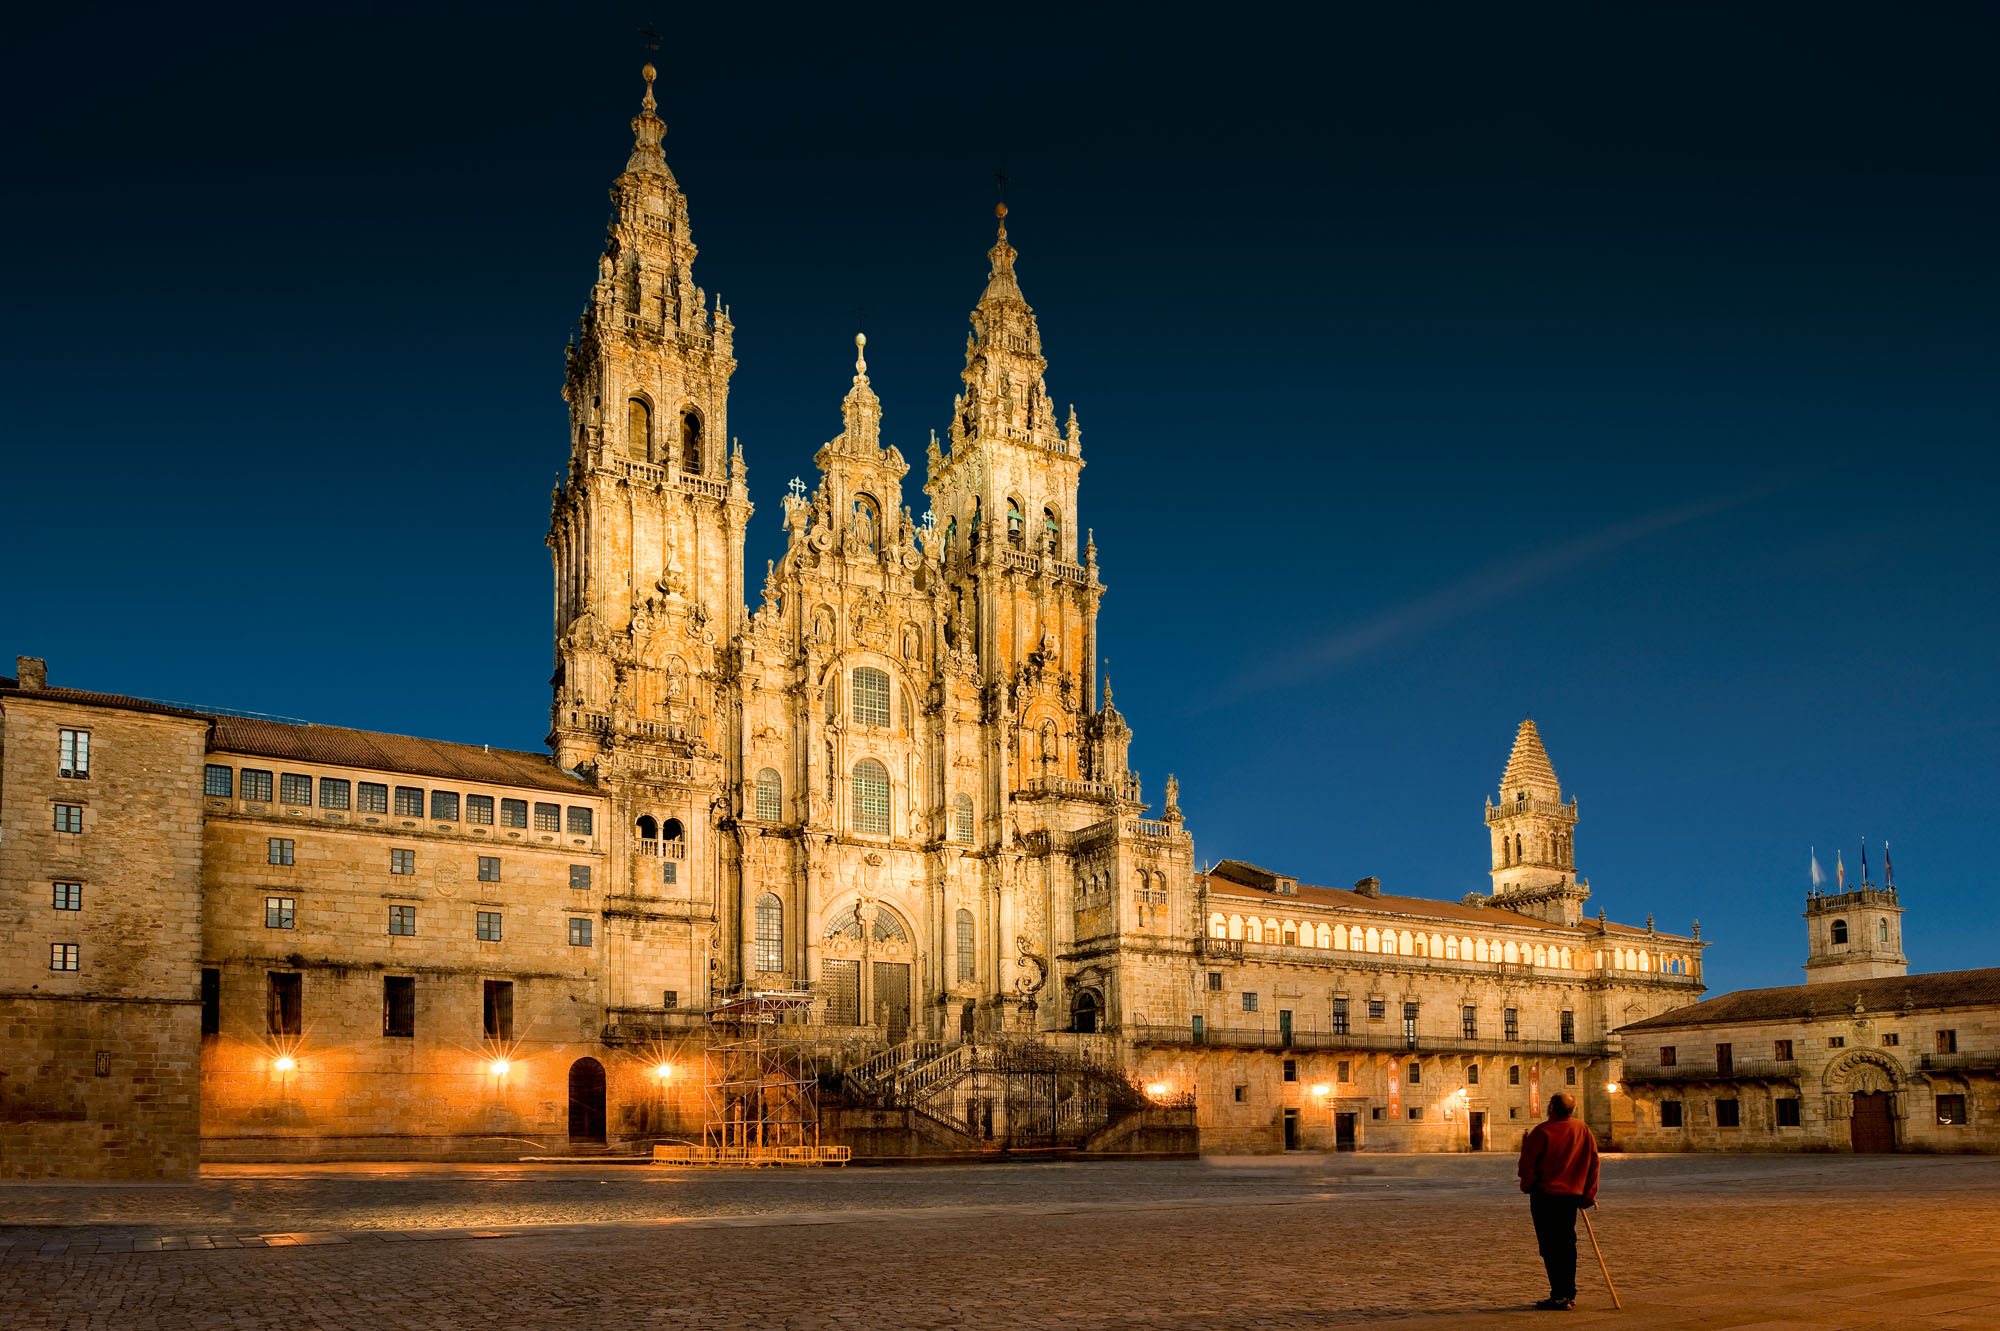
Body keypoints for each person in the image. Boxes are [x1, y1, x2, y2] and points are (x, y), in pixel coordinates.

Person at [1517, 1092, 1600, 1310]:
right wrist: (1588, 1194)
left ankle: (1559, 1294)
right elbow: (1593, 1163)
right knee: (1567, 1244)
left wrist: (1529, 1185)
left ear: (1551, 1107)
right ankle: (1568, 1292)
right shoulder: (1582, 1129)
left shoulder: (1542, 1132)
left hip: (1546, 1196)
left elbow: (1526, 1166)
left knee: (1550, 1246)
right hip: (1572, 1197)